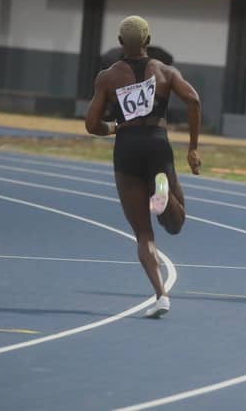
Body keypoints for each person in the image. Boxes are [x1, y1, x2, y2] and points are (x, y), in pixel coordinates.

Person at [85, 16, 202, 318]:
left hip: (127, 149)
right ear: (148, 41)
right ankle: (160, 193)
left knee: (144, 235)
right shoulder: (165, 72)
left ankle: (161, 295)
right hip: (156, 144)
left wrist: (114, 128)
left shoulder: (108, 77)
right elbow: (193, 100)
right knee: (176, 224)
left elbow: (91, 124)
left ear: (121, 43)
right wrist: (192, 147)